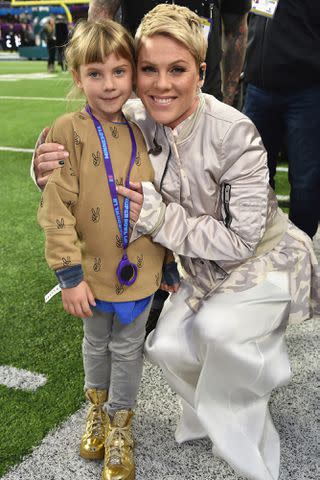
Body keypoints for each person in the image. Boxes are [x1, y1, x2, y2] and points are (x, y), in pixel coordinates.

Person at [33, 5, 320, 480]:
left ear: (202, 73)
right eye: (148, 69)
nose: (161, 84)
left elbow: (240, 241)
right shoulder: (133, 115)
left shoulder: (236, 131)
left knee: (217, 333)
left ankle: (252, 415)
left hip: (262, 262)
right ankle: (223, 401)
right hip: (200, 270)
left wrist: (159, 220)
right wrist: (39, 168)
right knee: (164, 346)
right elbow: (76, 148)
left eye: (177, 69)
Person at [37, 19, 179, 480]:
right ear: (77, 76)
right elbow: (55, 209)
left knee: (129, 350)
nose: (109, 84)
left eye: (120, 72)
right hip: (92, 278)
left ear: (132, 75)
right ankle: (96, 412)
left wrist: (171, 264)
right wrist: (69, 277)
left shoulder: (146, 128)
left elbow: (166, 199)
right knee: (96, 346)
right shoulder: (67, 129)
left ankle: (121, 425)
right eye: (95, 73)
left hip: (140, 270)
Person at [243, 0, 320, 239]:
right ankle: (257, 242)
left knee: (306, 181)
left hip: (307, 90)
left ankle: (299, 250)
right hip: (259, 87)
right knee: (251, 173)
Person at [88, 0, 251, 105]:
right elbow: (100, 21)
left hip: (204, 94)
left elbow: (236, 31)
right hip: (138, 96)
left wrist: (228, 98)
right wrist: (120, 90)